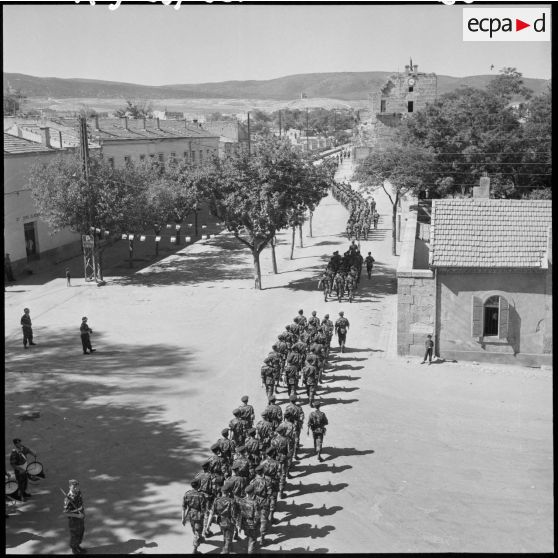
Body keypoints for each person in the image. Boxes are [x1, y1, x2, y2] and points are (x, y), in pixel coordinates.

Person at [211, 484, 238, 554]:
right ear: (229, 493)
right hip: (229, 521)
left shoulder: (216, 500)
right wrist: (237, 524)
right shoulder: (232, 501)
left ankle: (230, 549)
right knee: (229, 537)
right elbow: (234, 514)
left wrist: (207, 525)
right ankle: (225, 550)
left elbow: (212, 513)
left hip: (220, 521)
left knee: (225, 535)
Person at [182, 479, 207, 554]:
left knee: (195, 530)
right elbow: (203, 509)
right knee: (197, 531)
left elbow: (184, 507)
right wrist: (205, 517)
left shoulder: (187, 494)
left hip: (191, 515)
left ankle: (200, 538)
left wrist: (183, 518)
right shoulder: (201, 495)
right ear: (198, 485)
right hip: (199, 516)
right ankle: (195, 550)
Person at [63, 479, 86, 555]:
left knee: (81, 532)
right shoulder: (68, 499)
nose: (76, 488)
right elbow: (66, 513)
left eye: (77, 486)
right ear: (69, 486)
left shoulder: (78, 492)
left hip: (80, 517)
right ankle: (74, 549)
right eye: (74, 487)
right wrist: (77, 515)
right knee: (75, 535)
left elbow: (80, 504)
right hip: (74, 520)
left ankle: (77, 545)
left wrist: (82, 513)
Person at [237, 484, 261, 554]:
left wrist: (239, 524)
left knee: (249, 536)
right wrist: (255, 525)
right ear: (253, 492)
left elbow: (239, 513)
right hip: (252, 524)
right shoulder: (255, 502)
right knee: (252, 540)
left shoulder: (241, 500)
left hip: (244, 523)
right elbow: (257, 516)